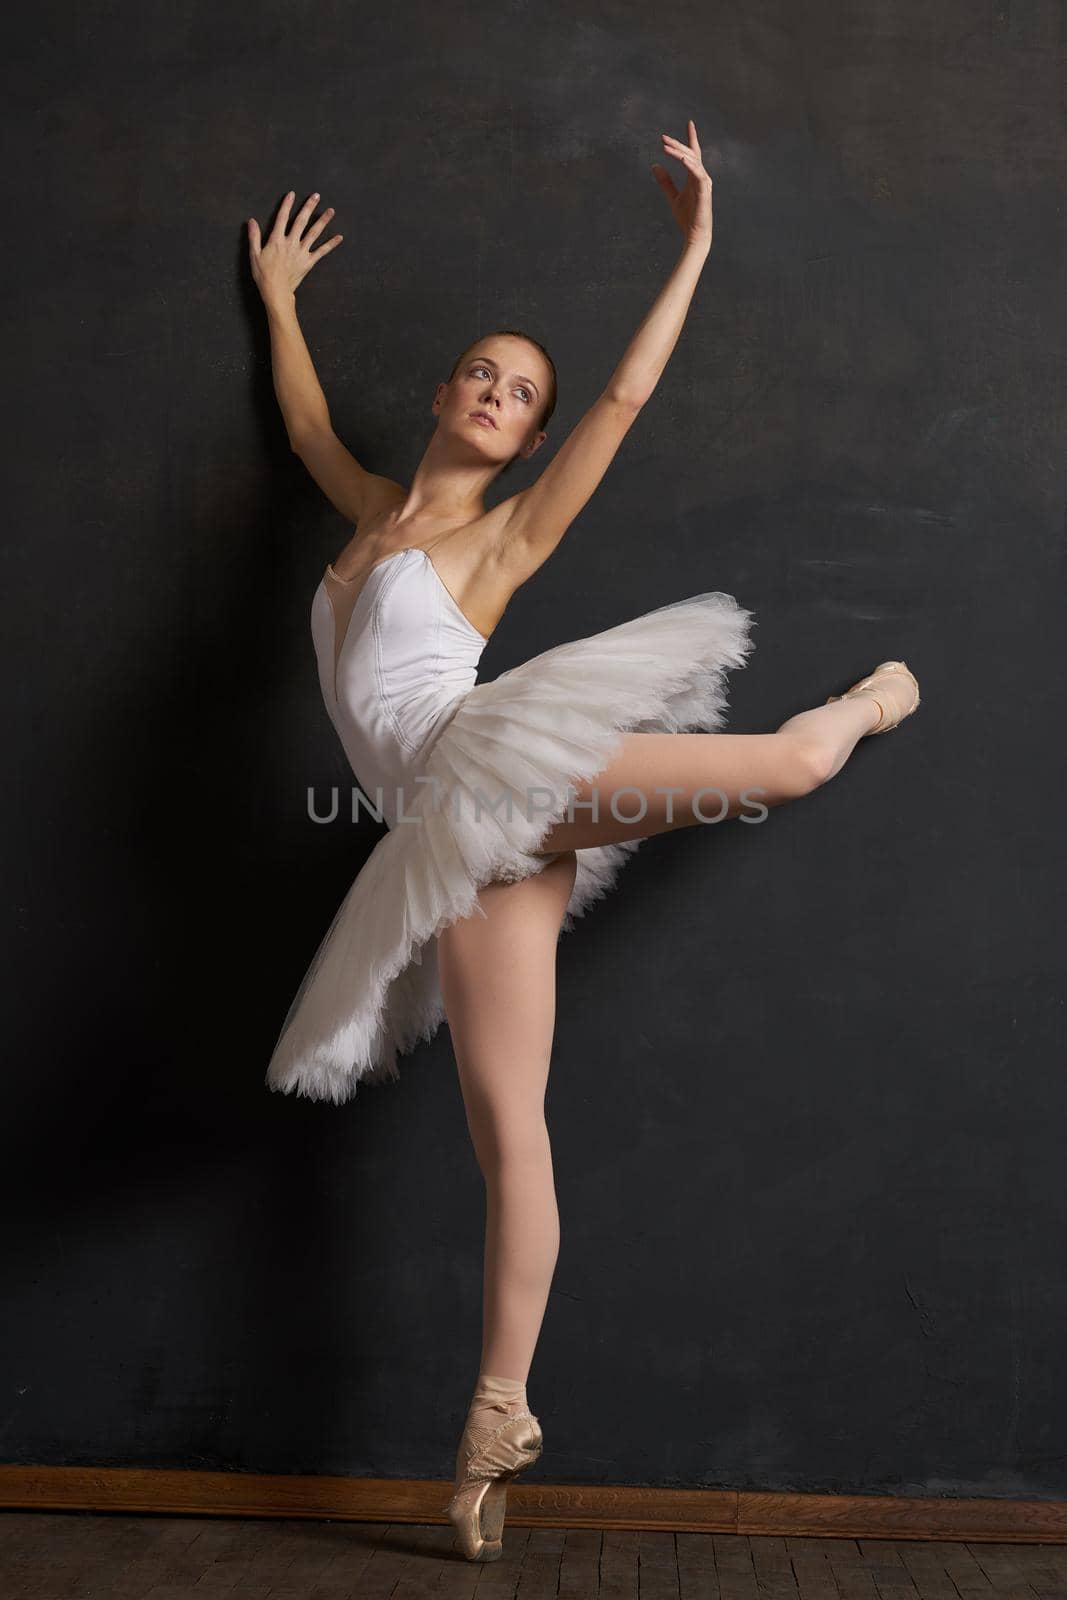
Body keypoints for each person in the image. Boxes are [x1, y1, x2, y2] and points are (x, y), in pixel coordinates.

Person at [247, 120, 920, 1563]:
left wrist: (694, 250)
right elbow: (307, 431)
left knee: (789, 765)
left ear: (526, 438)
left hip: (490, 767)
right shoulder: (373, 515)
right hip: (456, 841)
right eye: (482, 375)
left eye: (521, 394)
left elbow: (618, 401)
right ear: (443, 396)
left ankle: (870, 698)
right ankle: (497, 1419)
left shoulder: (497, 542)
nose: (499, 394)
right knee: (510, 1139)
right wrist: (283, 304)